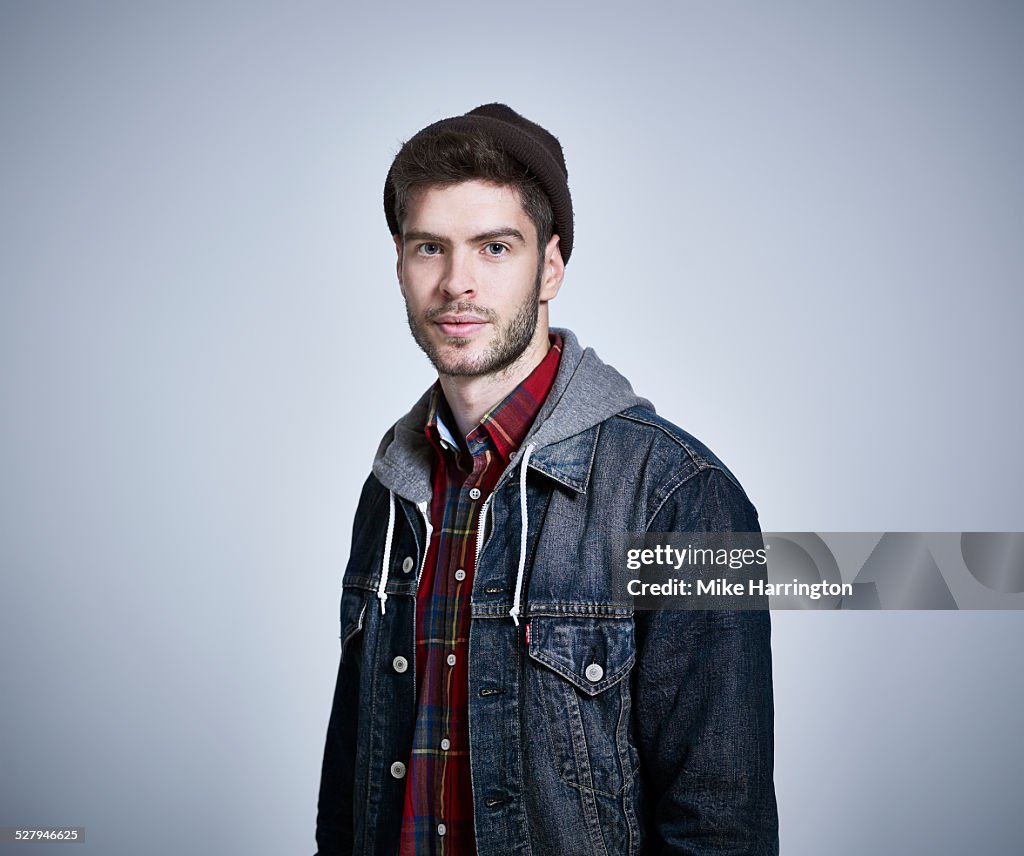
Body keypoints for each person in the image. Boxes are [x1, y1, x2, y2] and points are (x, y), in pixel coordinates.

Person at [316, 103, 778, 856]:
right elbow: (349, 798)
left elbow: (721, 827)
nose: (457, 283)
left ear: (551, 267)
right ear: (401, 265)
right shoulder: (393, 491)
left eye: (495, 247)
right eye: (430, 247)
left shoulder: (680, 496)